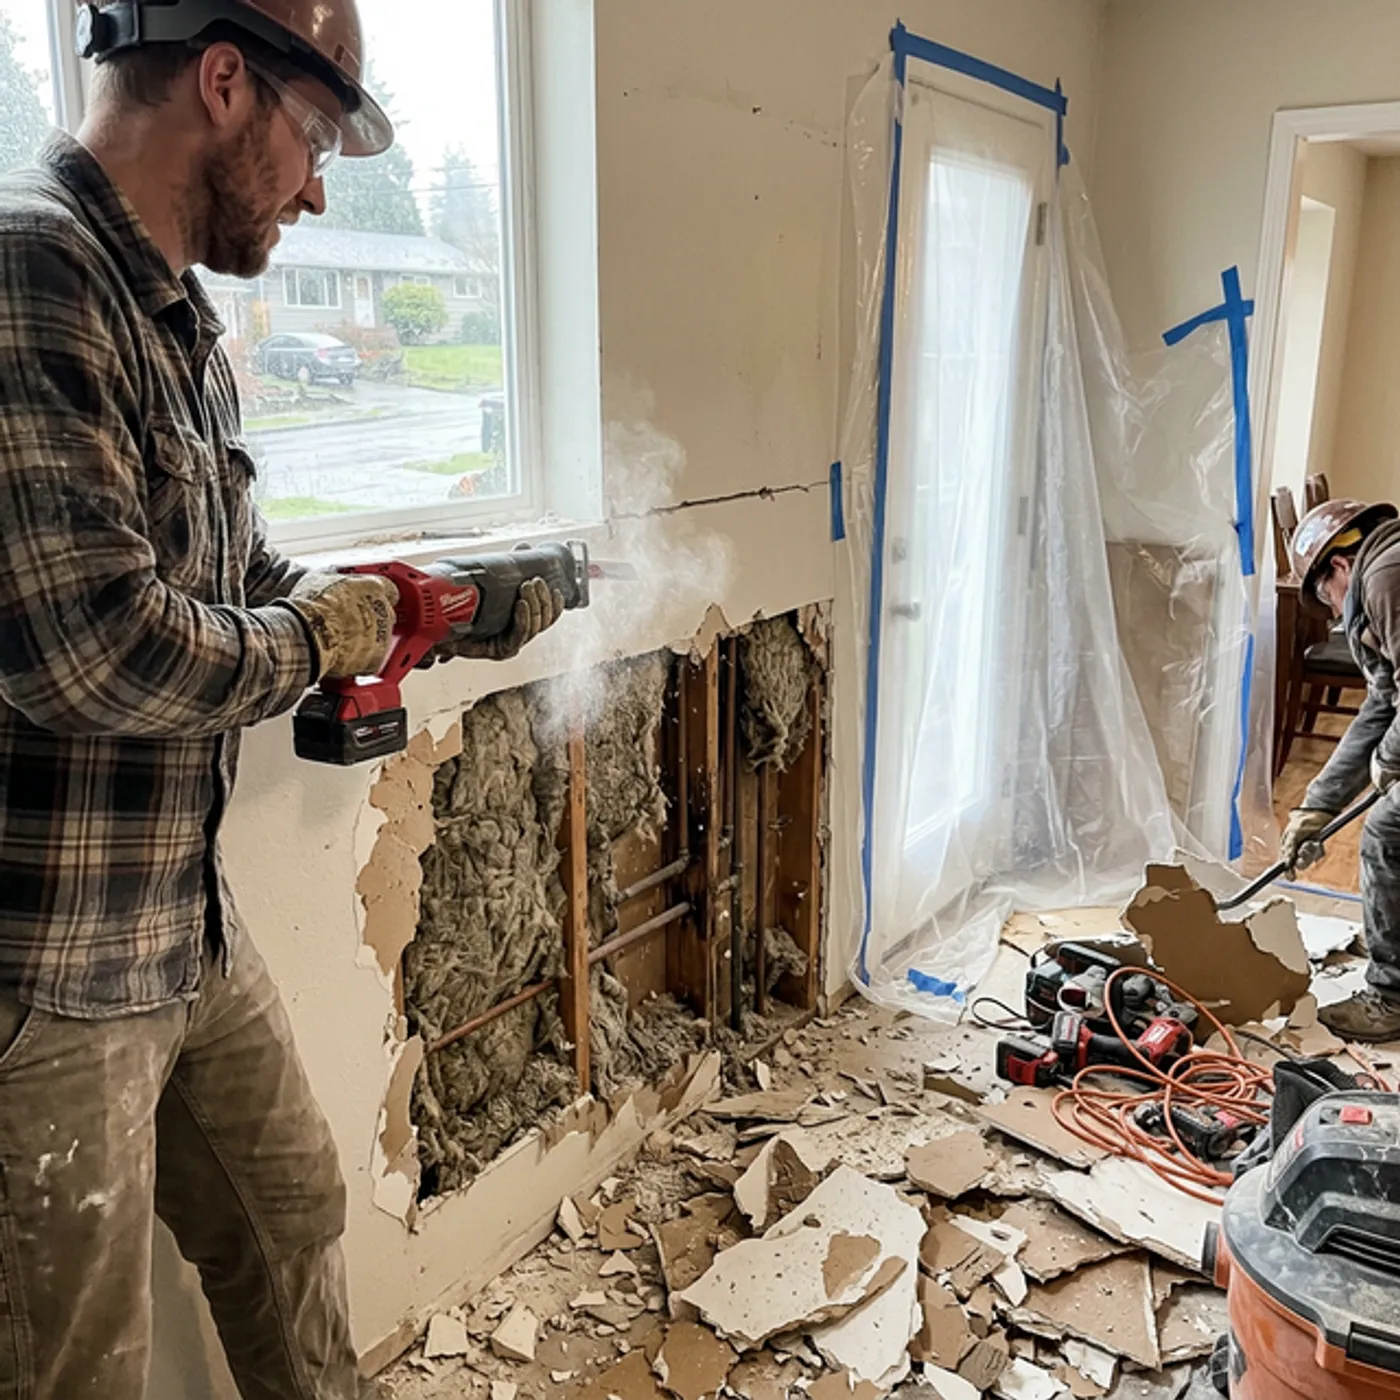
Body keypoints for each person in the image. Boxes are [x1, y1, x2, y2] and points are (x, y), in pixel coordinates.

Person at [0, 1, 562, 1394]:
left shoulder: (177, 314)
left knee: (293, 1216)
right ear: (225, 80)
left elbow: (245, 572)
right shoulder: (32, 271)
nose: (317, 188)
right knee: (78, 1364)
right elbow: (89, 652)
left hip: (180, 917)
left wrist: (410, 599)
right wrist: (321, 637)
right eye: (314, 140)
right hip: (51, 969)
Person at [1280, 497, 1400, 1041]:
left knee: (1386, 830)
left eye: (1327, 599)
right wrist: (1319, 803)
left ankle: (1392, 998)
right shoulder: (1386, 566)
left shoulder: (1384, 579)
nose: (1333, 615)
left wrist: (1391, 760)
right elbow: (1383, 699)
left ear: (1339, 567)